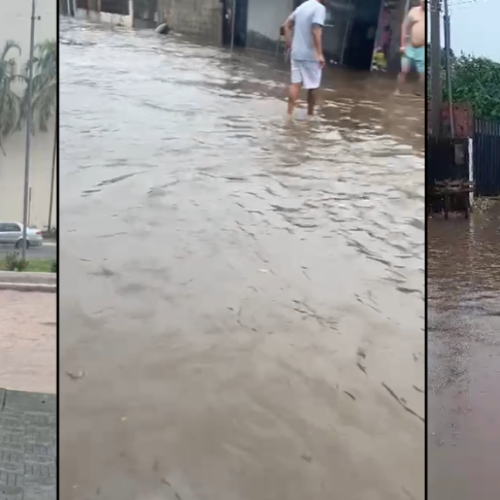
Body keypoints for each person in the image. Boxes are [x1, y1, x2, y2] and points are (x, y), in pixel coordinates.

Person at [283, 0, 327, 118]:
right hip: (310, 55)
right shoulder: (319, 8)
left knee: (295, 84)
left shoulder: (302, 7)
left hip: (296, 52)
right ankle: (310, 115)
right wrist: (320, 54)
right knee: (313, 86)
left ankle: (289, 114)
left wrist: (289, 44)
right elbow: (315, 31)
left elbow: (286, 25)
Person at [397, 0, 425, 94]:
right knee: (404, 71)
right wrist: (402, 45)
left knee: (422, 74)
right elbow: (404, 26)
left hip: (422, 49)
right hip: (410, 47)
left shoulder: (431, 14)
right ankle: (399, 91)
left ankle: (418, 93)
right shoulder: (414, 11)